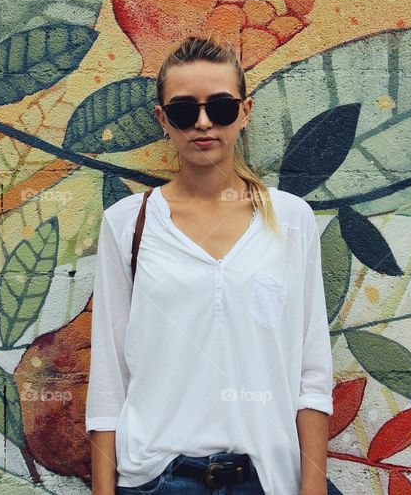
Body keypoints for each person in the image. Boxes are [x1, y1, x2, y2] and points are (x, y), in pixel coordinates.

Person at [86, 35, 334, 495]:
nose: (202, 122)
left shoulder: (292, 221)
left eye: (220, 107)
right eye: (183, 110)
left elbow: (312, 374)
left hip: (267, 480)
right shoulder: (127, 224)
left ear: (245, 111)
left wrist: (313, 488)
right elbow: (108, 378)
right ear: (163, 120)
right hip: (158, 480)